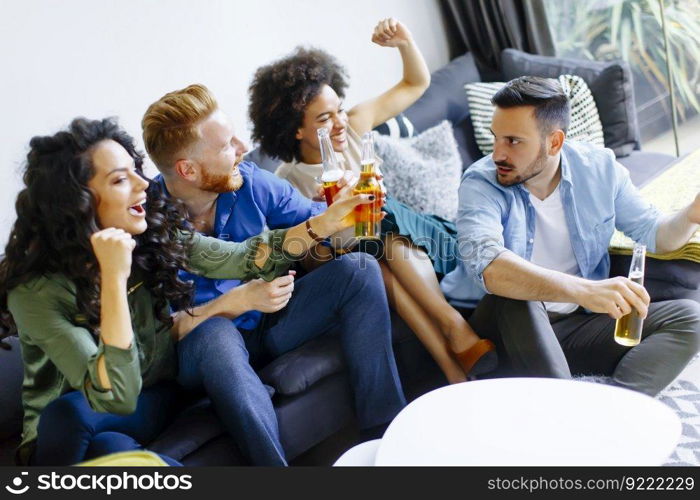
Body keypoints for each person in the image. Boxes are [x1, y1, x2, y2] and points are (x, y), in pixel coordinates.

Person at [0, 117, 389, 466]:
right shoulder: (35, 294)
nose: (143, 184)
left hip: (156, 398)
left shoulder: (152, 233)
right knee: (88, 431)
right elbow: (112, 393)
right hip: (79, 421)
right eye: (121, 179)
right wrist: (115, 279)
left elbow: (243, 258)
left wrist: (324, 222)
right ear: (77, 202)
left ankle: (383, 439)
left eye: (136, 171)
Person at [141, 83, 406, 465]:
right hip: (203, 353)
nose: (242, 146)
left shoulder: (249, 181)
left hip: (272, 322)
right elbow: (158, 335)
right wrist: (233, 303)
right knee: (215, 334)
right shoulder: (144, 222)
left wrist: (345, 209)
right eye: (225, 145)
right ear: (188, 169)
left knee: (358, 269)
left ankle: (383, 438)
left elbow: (316, 229)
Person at [247, 18, 496, 385]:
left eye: (339, 109)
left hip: (421, 239)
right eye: (324, 118)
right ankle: (454, 365)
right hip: (374, 263)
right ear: (296, 130)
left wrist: (405, 43)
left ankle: (454, 327)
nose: (338, 123)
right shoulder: (287, 183)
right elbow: (312, 261)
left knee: (376, 217)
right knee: (370, 258)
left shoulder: (354, 125)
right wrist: (325, 218)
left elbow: (416, 83)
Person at [439, 76, 700, 396]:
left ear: (554, 142)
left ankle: (617, 409)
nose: (497, 154)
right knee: (519, 298)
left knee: (690, 317)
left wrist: (690, 216)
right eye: (496, 139)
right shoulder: (481, 184)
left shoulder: (599, 169)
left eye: (513, 141)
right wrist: (584, 291)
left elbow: (654, 233)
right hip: (502, 331)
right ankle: (567, 412)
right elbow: (489, 267)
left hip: (573, 326)